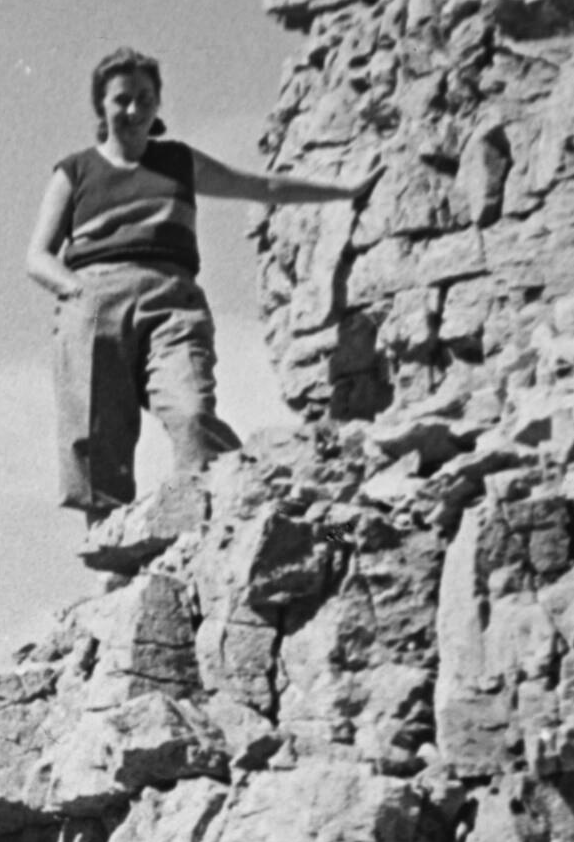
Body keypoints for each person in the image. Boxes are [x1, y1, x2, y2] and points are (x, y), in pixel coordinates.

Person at [24, 47, 363, 525]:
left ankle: (225, 507)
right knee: (98, 431)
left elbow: (261, 186)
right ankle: (108, 544)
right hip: (95, 299)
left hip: (171, 297)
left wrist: (345, 192)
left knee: (191, 411)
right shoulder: (75, 170)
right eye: (122, 99)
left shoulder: (178, 162)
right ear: (101, 104)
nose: (134, 110)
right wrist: (79, 292)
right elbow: (38, 256)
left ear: (158, 103)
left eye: (145, 98)